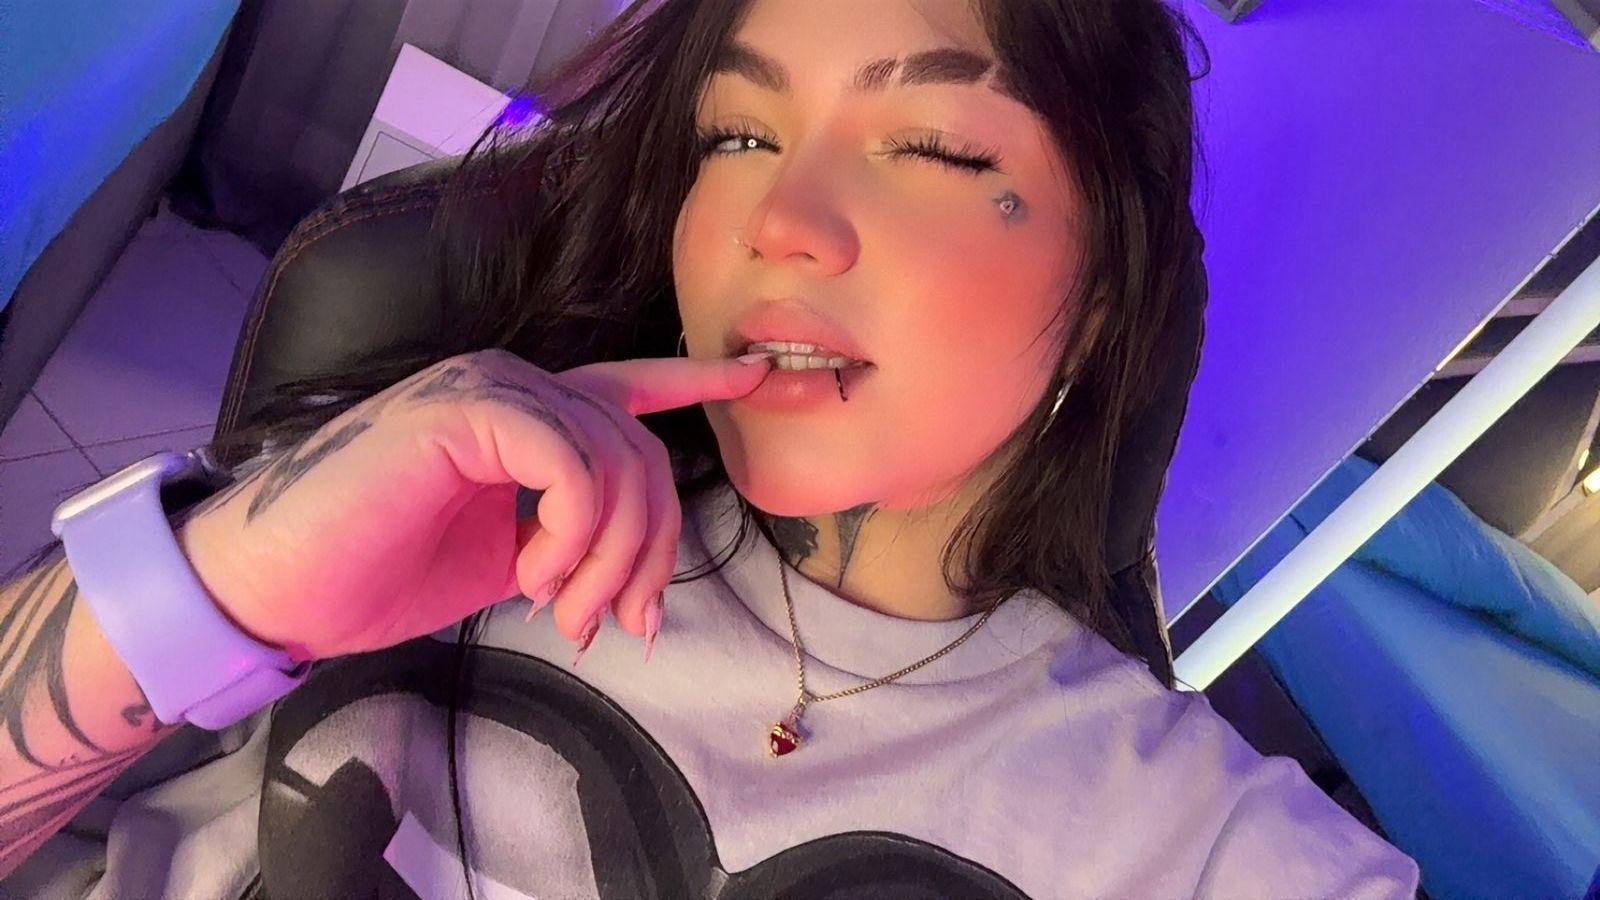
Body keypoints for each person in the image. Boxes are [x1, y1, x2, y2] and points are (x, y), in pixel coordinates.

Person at [0, 0, 1423, 896]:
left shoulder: (1210, 852)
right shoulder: (460, 506)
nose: (777, 220)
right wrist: (225, 583)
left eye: (932, 147)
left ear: (1102, 297)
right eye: (735, 135)